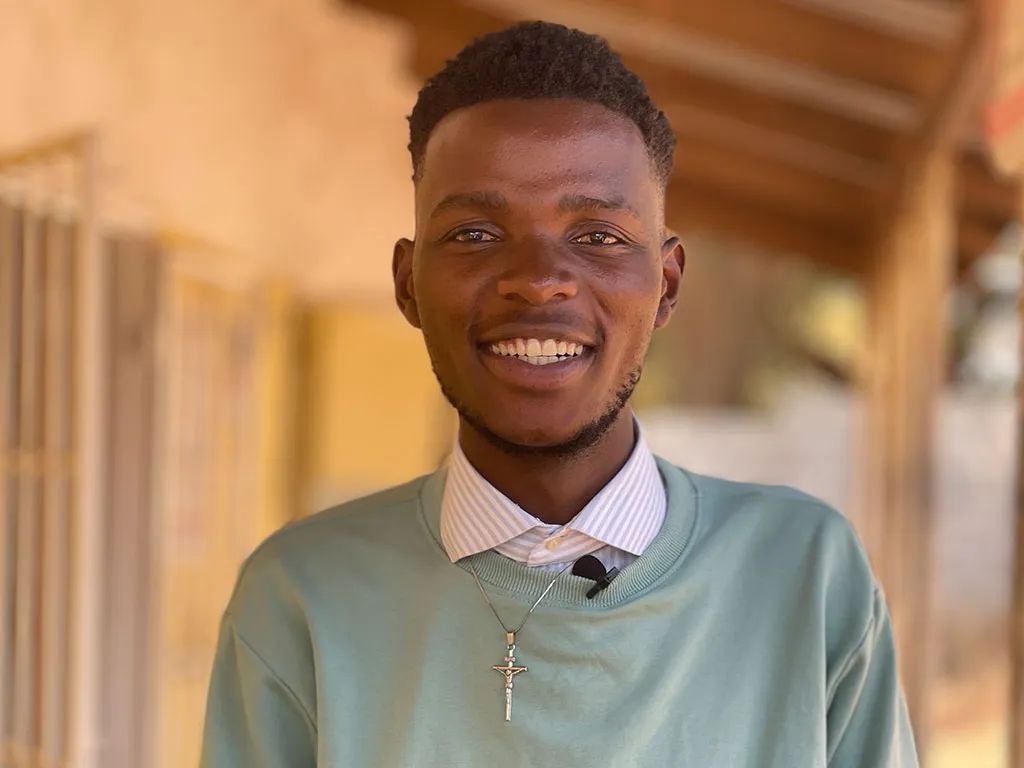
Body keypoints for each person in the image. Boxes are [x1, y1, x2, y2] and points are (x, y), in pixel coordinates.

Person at [200, 20, 918, 767]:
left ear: (666, 284)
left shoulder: (800, 574)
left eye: (598, 235)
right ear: (408, 285)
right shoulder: (304, 596)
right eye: (476, 234)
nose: (539, 277)